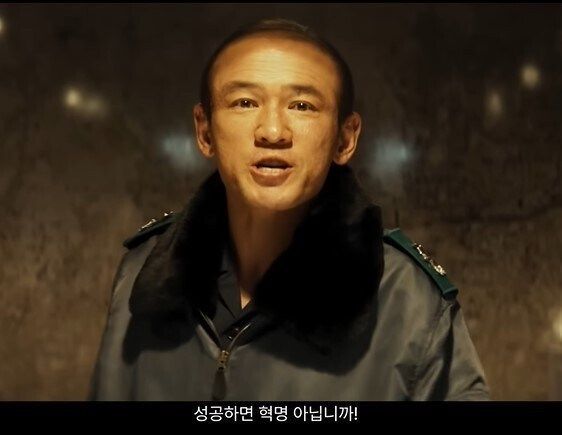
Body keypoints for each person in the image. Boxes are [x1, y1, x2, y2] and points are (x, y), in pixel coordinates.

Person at [89, 18, 489, 401]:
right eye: (245, 102)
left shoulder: (408, 301)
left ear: (345, 139)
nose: (272, 132)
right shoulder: (145, 272)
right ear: (205, 131)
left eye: (302, 105)